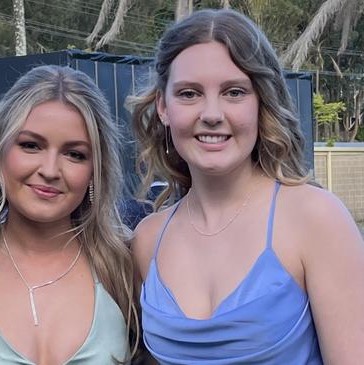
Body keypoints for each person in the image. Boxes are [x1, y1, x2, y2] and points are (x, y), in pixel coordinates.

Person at [130, 9, 364, 364]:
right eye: (190, 93)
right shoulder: (146, 241)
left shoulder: (315, 219)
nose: (211, 113)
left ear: (261, 103)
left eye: (234, 92)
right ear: (163, 106)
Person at [0, 65, 138, 364]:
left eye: (75, 154)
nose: (49, 171)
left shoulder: (126, 266)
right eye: (30, 145)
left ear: (96, 169)